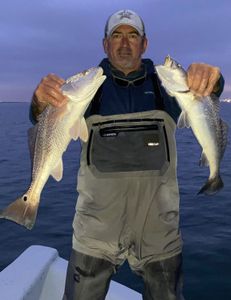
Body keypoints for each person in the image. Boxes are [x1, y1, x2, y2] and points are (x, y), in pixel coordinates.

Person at [30, 9, 224, 300]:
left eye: (132, 36)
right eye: (116, 36)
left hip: (159, 232)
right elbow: (41, 119)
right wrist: (38, 101)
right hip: (95, 232)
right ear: (105, 44)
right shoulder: (87, 87)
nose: (124, 44)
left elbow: (205, 104)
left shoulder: (166, 86)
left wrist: (213, 81)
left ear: (144, 44)